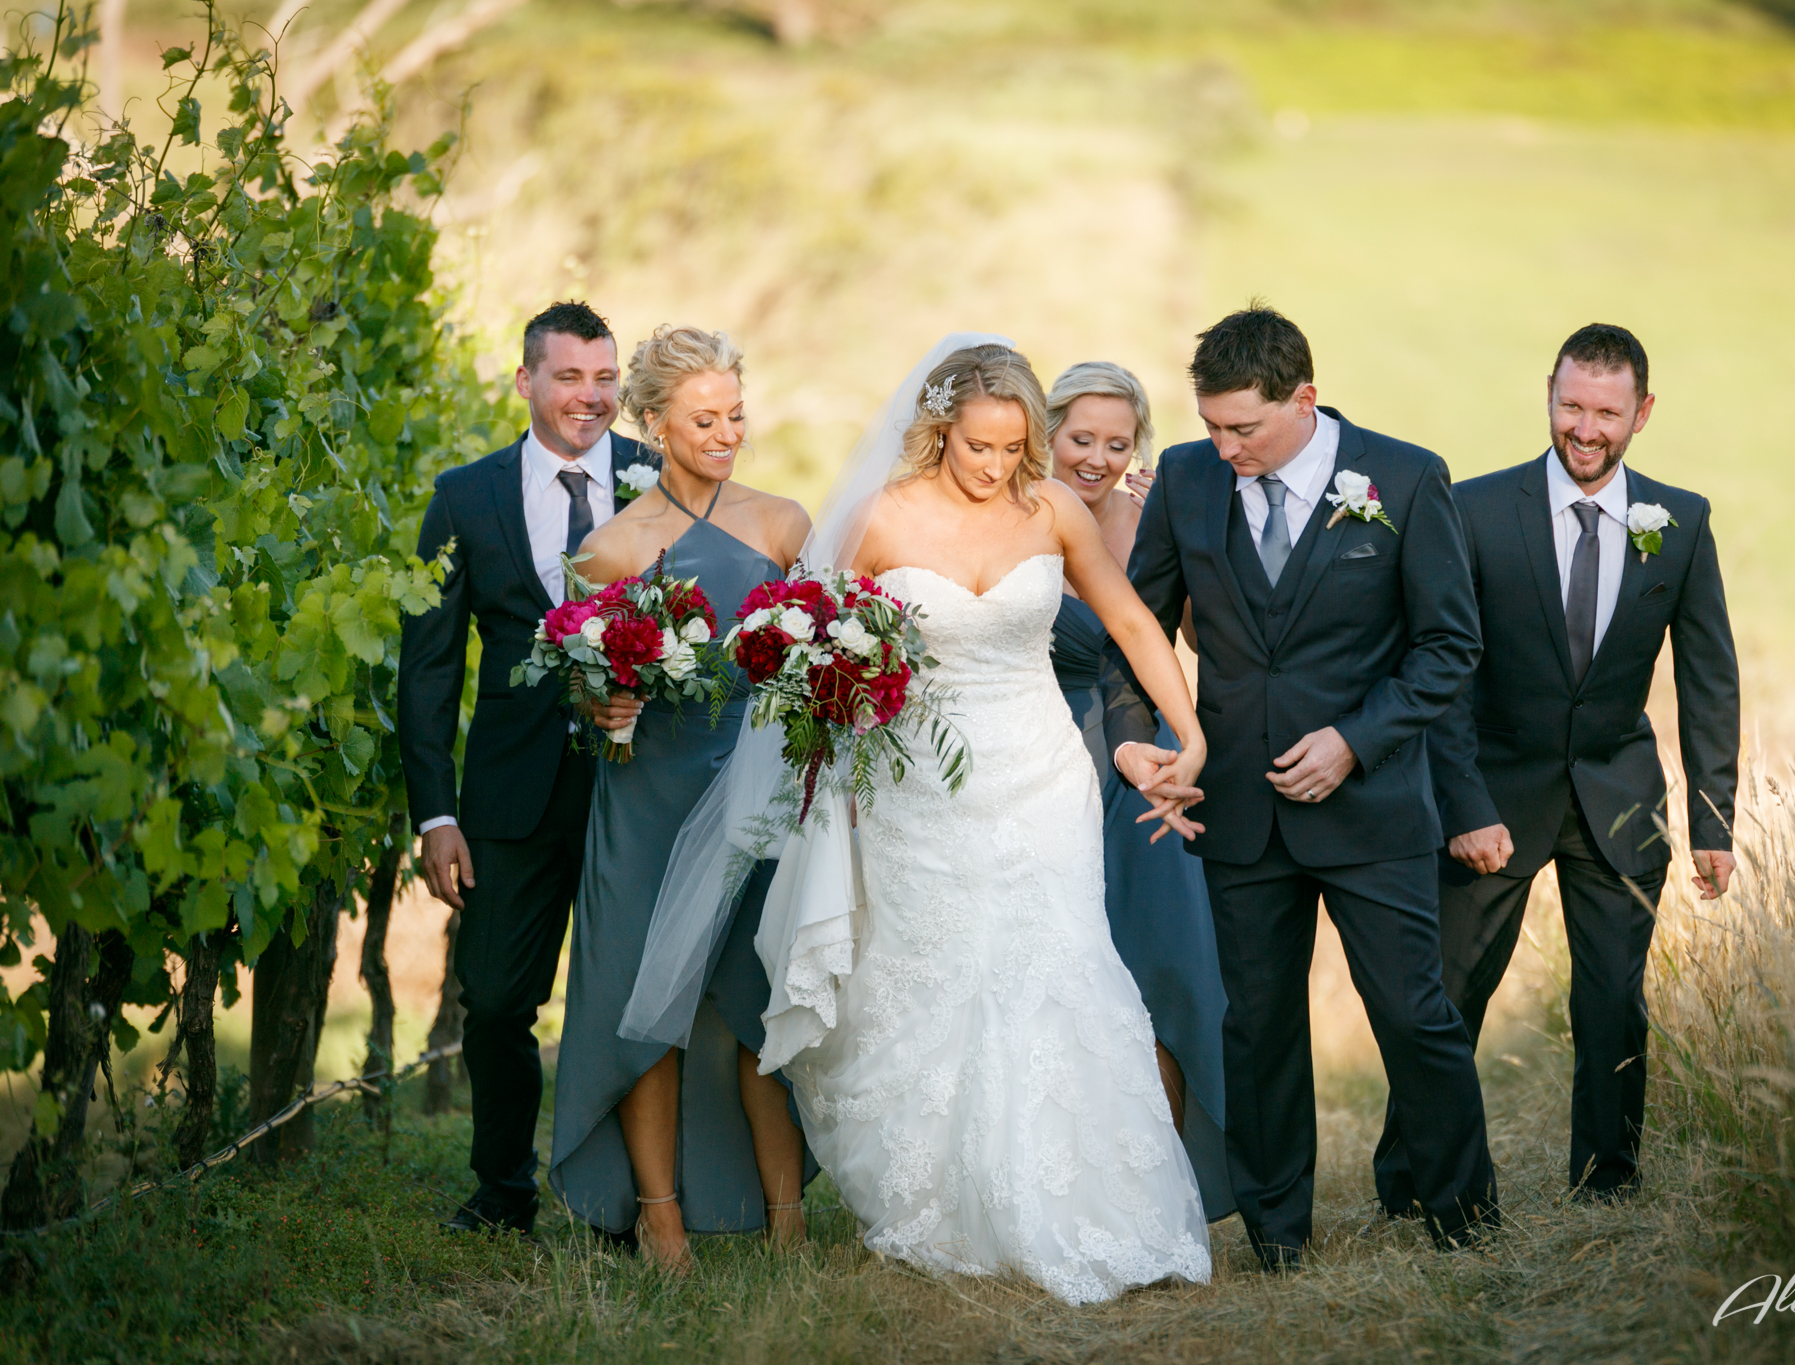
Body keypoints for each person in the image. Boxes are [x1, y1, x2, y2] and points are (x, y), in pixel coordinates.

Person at [619, 335, 1214, 1304]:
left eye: (1010, 447)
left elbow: (1132, 624)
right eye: (975, 447)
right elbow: (805, 650)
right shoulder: (878, 518)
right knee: (930, 980)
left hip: (1039, 779)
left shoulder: (1052, 507)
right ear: (938, 433)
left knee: (1054, 967)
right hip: (913, 789)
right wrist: (834, 770)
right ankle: (940, 1196)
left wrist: (1185, 736)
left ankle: (1073, 1199)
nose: (991, 468)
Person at [1106, 303, 1498, 1262]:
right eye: (1211, 425)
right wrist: (1134, 740)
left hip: (1373, 807)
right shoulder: (1190, 482)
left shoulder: (1404, 477)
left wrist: (1355, 742)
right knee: (1259, 1028)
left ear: (1305, 398)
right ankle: (1279, 1233)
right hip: (1235, 810)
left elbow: (1451, 644)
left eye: (1245, 426)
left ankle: (1463, 1215)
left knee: (1414, 1013)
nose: (1224, 445)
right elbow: (1137, 632)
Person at [1374, 323, 1739, 1207]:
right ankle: (1412, 1178)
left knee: (1613, 1002)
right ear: (1549, 394)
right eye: (1571, 404)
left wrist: (1713, 824)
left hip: (1620, 798)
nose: (1586, 427)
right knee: (1449, 996)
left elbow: (1709, 675)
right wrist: (1460, 802)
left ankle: (1607, 1180)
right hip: (1491, 794)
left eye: (1607, 412)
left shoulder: (1680, 522)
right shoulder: (1475, 508)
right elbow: (1445, 669)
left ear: (1642, 413)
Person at [547, 326, 813, 1272]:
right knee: (645, 1008)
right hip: (650, 800)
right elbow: (584, 699)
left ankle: (787, 1224)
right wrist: (605, 698)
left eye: (737, 414)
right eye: (705, 418)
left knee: (761, 1004)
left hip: (760, 798)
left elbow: (822, 662)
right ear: (654, 423)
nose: (727, 432)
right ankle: (660, 1220)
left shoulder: (785, 525)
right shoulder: (613, 548)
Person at [397, 302, 646, 1237]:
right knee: (497, 998)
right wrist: (435, 816)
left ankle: (627, 1201)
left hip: (637, 781)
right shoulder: (466, 496)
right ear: (527, 382)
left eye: (606, 377)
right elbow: (425, 668)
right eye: (571, 376)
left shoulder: (658, 480)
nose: (591, 396)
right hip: (510, 791)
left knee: (629, 996)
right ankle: (502, 1188)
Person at [1043, 360, 1234, 1222]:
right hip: (1045, 759)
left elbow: (1196, 632)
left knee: (1166, 969)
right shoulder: (1016, 516)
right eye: (1081, 438)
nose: (1097, 458)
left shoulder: (1149, 512)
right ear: (1047, 432)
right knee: (1064, 971)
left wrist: (1188, 527)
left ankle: (1166, 1187)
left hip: (1148, 759)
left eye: (1117, 443)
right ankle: (1064, 1183)